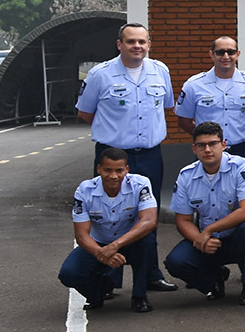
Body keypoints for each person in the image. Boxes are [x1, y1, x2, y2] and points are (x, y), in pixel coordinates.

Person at [75, 22, 178, 292]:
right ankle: (109, 276)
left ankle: (150, 275)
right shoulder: (100, 74)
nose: (137, 46)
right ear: (119, 44)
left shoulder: (160, 71)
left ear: (149, 45)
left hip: (150, 155)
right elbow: (84, 113)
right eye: (131, 41)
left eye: (142, 42)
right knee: (109, 217)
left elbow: (167, 105)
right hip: (112, 157)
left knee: (148, 215)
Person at [164, 121, 245, 303]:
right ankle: (213, 281)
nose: (208, 150)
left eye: (213, 144)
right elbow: (183, 220)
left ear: (223, 145)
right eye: (202, 145)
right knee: (175, 262)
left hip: (238, 238)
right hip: (208, 241)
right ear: (194, 149)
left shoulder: (242, 167)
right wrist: (199, 239)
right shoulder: (186, 176)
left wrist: (209, 231)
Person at [59, 148, 159, 313]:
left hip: (130, 241)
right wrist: (101, 253)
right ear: (99, 169)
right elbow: (81, 234)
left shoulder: (140, 184)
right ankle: (98, 292)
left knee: (147, 240)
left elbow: (149, 221)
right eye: (108, 170)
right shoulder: (85, 190)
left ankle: (140, 296)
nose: (113, 176)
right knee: (68, 274)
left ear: (127, 169)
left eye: (119, 170)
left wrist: (116, 245)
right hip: (99, 244)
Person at [175, 36, 245, 162]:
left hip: (241, 150)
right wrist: (205, 138)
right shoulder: (194, 85)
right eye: (220, 52)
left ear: (238, 54)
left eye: (231, 52)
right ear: (211, 55)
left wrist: (242, 132)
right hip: (207, 151)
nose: (226, 56)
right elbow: (184, 121)